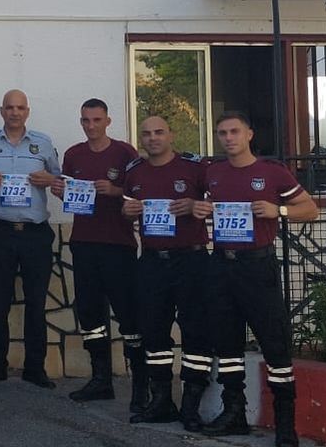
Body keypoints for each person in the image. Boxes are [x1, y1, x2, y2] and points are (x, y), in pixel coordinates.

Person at [196, 111, 317, 447]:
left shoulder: (271, 171)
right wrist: (200, 209)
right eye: (222, 133)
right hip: (222, 265)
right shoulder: (213, 173)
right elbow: (206, 204)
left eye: (234, 131)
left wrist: (279, 210)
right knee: (227, 343)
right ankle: (234, 413)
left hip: (257, 267)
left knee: (275, 343)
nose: (228, 138)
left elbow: (310, 209)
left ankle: (285, 425)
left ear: (249, 134)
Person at [49, 99, 145, 407]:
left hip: (118, 245)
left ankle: (140, 383)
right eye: (86, 120)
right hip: (84, 243)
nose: (91, 126)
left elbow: (140, 193)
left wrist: (116, 191)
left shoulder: (125, 152)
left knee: (128, 314)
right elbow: (68, 190)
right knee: (90, 313)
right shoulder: (73, 154)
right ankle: (100, 379)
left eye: (97, 120)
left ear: (108, 121)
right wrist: (60, 192)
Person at [121, 116, 211, 430]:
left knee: (195, 329)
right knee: (153, 330)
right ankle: (161, 400)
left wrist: (196, 206)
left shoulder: (194, 167)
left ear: (171, 135)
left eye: (159, 132)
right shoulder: (135, 171)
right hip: (152, 262)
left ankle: (191, 405)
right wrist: (127, 211)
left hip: (190, 260)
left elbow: (218, 198)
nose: (153, 138)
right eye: (146, 134)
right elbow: (127, 207)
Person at [0, 89, 62, 388]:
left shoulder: (43, 143)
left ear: (27, 111)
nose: (15, 112)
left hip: (35, 233)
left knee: (36, 303)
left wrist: (50, 180)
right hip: (0, 231)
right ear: (2, 111)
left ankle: (35, 368)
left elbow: (60, 181)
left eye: (20, 108)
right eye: (9, 107)